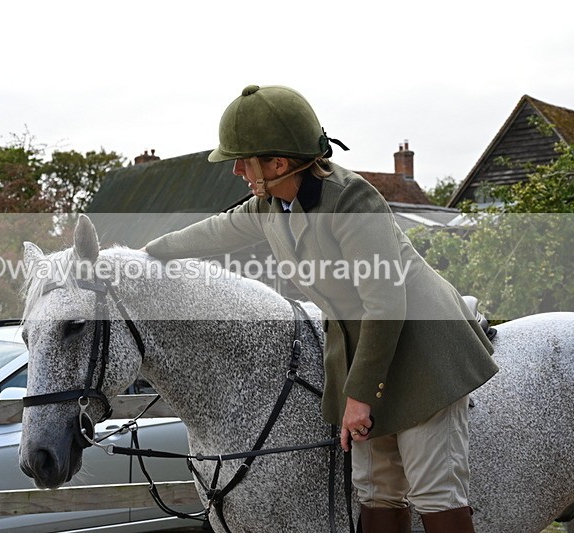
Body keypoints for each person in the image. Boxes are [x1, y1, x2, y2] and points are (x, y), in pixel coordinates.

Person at [142, 85, 498, 532]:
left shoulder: (352, 200)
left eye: (243, 158)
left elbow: (385, 301)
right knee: (375, 491)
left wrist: (360, 396)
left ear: (278, 162)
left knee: (434, 492)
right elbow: (213, 233)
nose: (234, 169)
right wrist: (140, 256)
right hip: (366, 351)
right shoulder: (273, 206)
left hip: (421, 345)